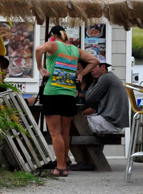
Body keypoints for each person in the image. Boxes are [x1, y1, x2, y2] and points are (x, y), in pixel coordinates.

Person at [36, 25, 99, 177]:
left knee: (55, 133)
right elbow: (94, 60)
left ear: (52, 35)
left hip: (53, 93)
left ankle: (61, 167)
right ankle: (63, 162)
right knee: (64, 133)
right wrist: (82, 73)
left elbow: (38, 50)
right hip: (70, 94)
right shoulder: (75, 50)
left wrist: (40, 68)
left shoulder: (53, 44)